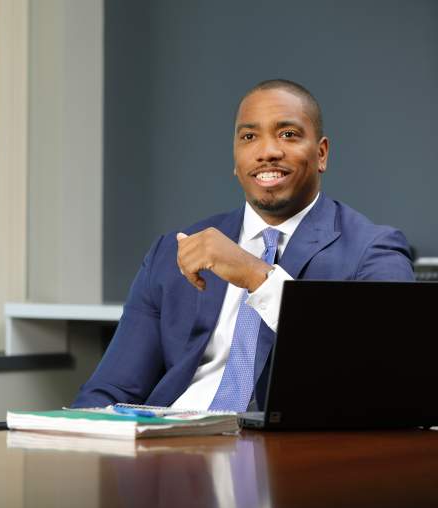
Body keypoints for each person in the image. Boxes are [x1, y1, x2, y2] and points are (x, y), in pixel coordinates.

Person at [72, 79, 414, 411]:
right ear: (236, 159)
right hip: (174, 438)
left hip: (284, 446)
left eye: (288, 134)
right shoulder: (173, 250)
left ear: (321, 153)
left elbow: (391, 373)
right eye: (249, 137)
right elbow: (111, 388)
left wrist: (256, 276)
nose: (267, 152)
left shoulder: (373, 250)